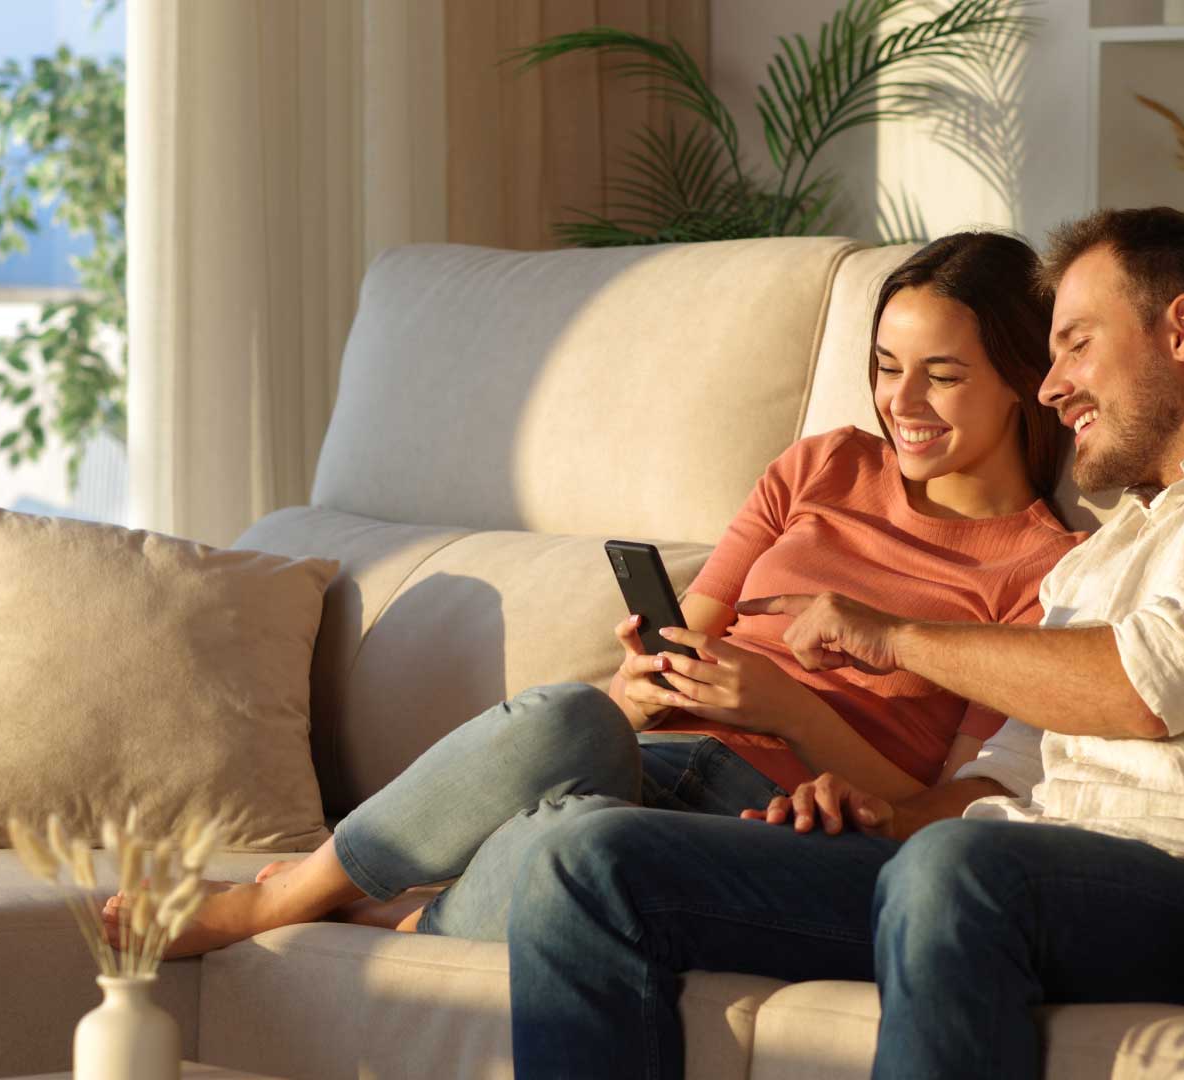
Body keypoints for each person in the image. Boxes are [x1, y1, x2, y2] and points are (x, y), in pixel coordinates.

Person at [505, 207, 1184, 1079]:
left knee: (954, 871)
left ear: (1182, 329)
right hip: (999, 871)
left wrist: (892, 636)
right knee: (586, 861)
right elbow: (995, 784)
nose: (1052, 387)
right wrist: (880, 817)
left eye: (1077, 345)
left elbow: (1148, 683)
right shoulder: (1101, 556)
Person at [102, 231, 1083, 956]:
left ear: (1022, 380)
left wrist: (787, 711)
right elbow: (687, 641)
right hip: (647, 755)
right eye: (885, 368)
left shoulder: (1045, 571)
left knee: (580, 848)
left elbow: (944, 804)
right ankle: (293, 898)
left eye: (942, 377)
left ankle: (382, 910)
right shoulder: (822, 466)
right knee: (571, 712)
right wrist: (645, 676)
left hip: (764, 822)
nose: (902, 404)